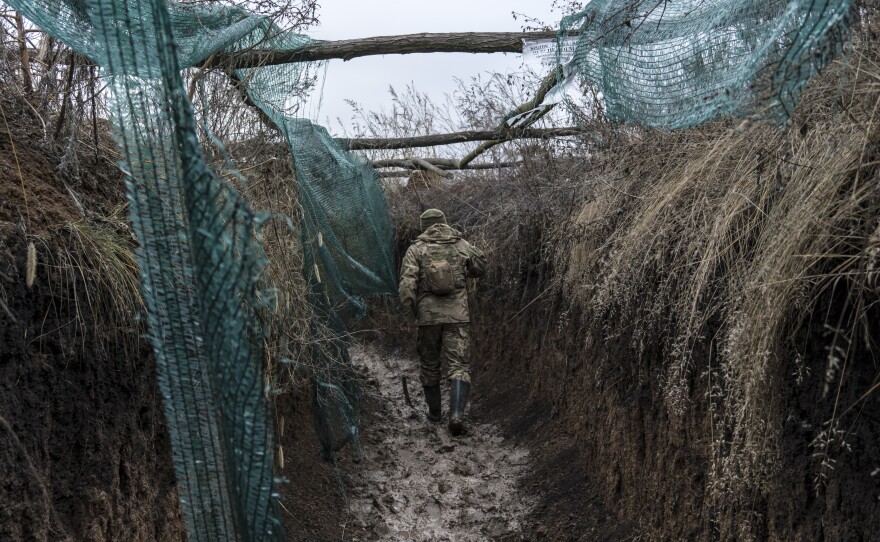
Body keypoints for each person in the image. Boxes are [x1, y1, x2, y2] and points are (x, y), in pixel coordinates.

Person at [399, 208, 486, 436]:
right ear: (444, 222)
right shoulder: (460, 244)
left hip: (428, 318)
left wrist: (409, 317)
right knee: (459, 365)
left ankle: (435, 413)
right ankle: (456, 415)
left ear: (423, 225)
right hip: (457, 316)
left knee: (429, 364)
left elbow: (407, 286)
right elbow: (480, 268)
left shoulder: (416, 249)